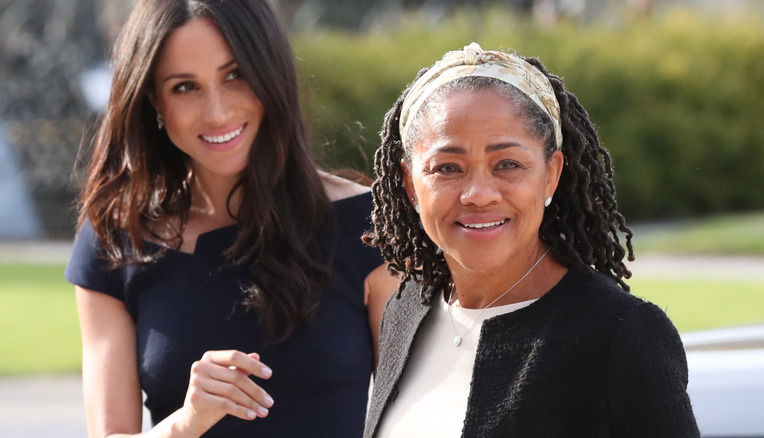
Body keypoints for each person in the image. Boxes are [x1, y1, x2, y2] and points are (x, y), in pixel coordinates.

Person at [65, 0, 398, 436]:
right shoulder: (116, 235)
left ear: (271, 73)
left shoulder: (373, 226)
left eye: (235, 75)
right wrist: (188, 422)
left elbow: (424, 416)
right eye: (185, 87)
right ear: (153, 102)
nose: (217, 111)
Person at [363, 42, 699, 437]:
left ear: (551, 174)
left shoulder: (619, 336)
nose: (479, 193)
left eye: (507, 164)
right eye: (447, 167)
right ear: (410, 185)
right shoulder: (406, 310)